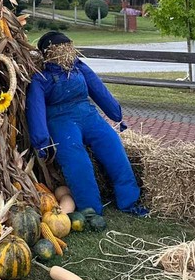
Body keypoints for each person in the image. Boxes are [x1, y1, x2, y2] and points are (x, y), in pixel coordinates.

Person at [26, 31, 147, 216]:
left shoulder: (78, 67)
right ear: (49, 53)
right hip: (61, 120)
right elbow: (36, 109)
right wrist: (41, 141)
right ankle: (91, 210)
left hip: (88, 114)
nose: (65, 52)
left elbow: (98, 88)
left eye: (67, 48)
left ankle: (128, 201)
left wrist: (116, 114)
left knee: (113, 146)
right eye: (60, 48)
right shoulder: (41, 79)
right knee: (77, 161)